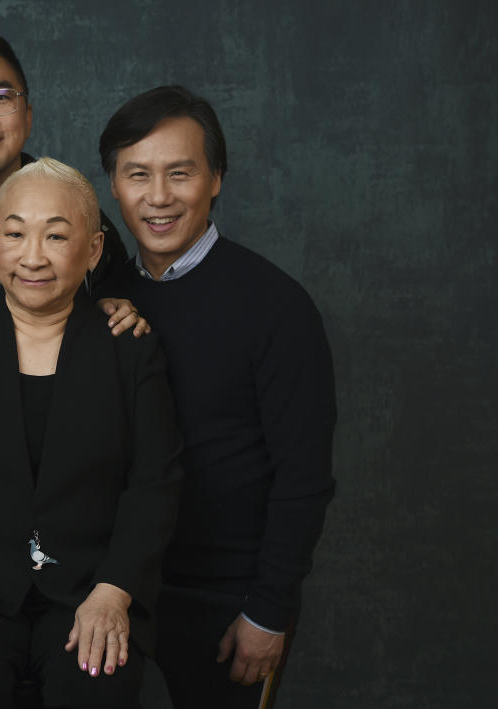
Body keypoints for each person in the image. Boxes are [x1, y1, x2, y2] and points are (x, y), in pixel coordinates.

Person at [0, 158, 183, 709]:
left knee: (95, 685)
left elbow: (155, 485)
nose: (34, 257)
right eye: (16, 234)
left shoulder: (130, 349)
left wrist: (114, 592)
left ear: (92, 250)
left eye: (57, 235)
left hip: (91, 592)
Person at [97, 85, 337, 708]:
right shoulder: (97, 300)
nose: (157, 197)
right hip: (116, 588)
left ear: (216, 179)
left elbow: (304, 476)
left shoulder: (275, 305)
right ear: (113, 186)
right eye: (136, 175)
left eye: (180, 173)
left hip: (230, 598)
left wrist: (269, 611)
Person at [0, 24, 142, 338]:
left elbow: (120, 308)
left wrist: (111, 309)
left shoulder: (77, 214)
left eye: (1, 97)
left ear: (27, 117)